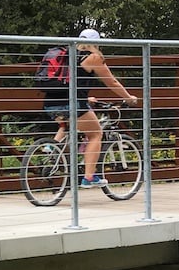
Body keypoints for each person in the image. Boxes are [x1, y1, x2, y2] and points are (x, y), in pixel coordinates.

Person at [42, 28, 139, 188]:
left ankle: (52, 148)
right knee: (95, 134)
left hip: (50, 103)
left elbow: (65, 82)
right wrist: (128, 98)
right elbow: (112, 82)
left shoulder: (66, 53)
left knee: (69, 125)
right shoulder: (93, 57)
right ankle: (89, 177)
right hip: (72, 104)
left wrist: (86, 98)